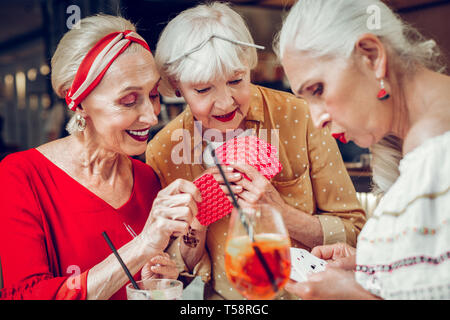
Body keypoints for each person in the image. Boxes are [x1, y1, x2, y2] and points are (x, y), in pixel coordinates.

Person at [146, 2, 366, 300]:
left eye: (236, 81)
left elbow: (355, 232)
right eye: (202, 90)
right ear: (176, 85)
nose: (225, 103)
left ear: (249, 68)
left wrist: (282, 213)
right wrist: (196, 224)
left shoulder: (300, 117)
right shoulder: (164, 149)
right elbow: (176, 270)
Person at [0, 14, 201, 300]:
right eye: (129, 100)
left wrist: (158, 280)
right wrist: (141, 246)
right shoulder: (22, 175)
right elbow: (25, 295)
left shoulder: (147, 178)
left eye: (154, 94)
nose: (151, 114)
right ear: (78, 101)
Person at [276, 0, 450, 299]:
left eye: (318, 90)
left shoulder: (436, 151)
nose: (317, 120)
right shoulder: (424, 137)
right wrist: (371, 264)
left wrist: (353, 296)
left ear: (371, 55)